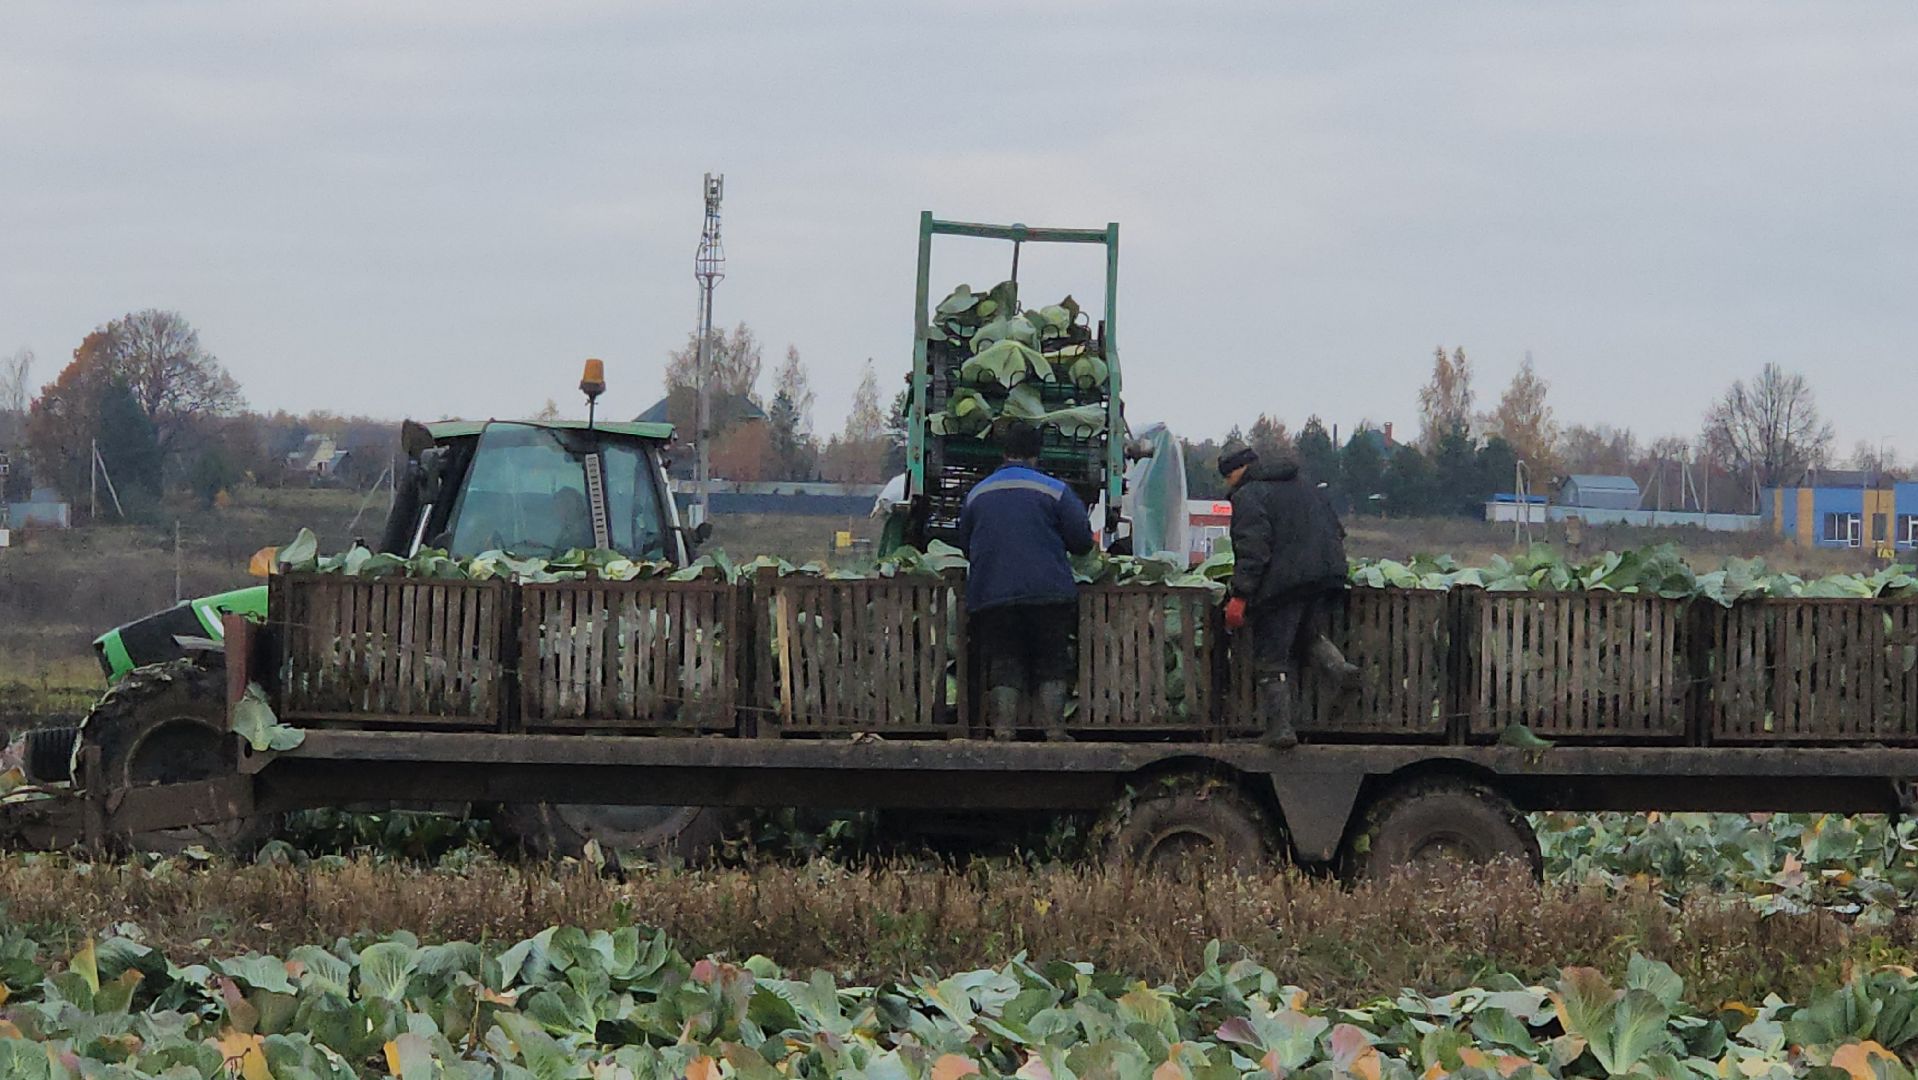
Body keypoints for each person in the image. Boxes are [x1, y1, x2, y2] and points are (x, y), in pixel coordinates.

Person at [956, 422, 1094, 741]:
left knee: (1004, 658)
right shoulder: (1055, 490)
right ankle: (1055, 730)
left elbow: (966, 543)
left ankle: (1003, 730)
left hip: (992, 595)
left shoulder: (978, 493)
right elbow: (1082, 541)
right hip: (1048, 593)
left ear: (1004, 452)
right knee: (1051, 659)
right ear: (1037, 454)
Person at [1218, 444, 1360, 748]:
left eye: (1227, 477)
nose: (1228, 484)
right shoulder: (1305, 486)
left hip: (1285, 583)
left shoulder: (1250, 495)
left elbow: (1253, 549)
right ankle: (1340, 671)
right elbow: (1337, 531)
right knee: (1305, 635)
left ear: (1236, 471)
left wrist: (1240, 595)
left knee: (1271, 654)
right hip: (1327, 574)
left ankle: (1280, 729)